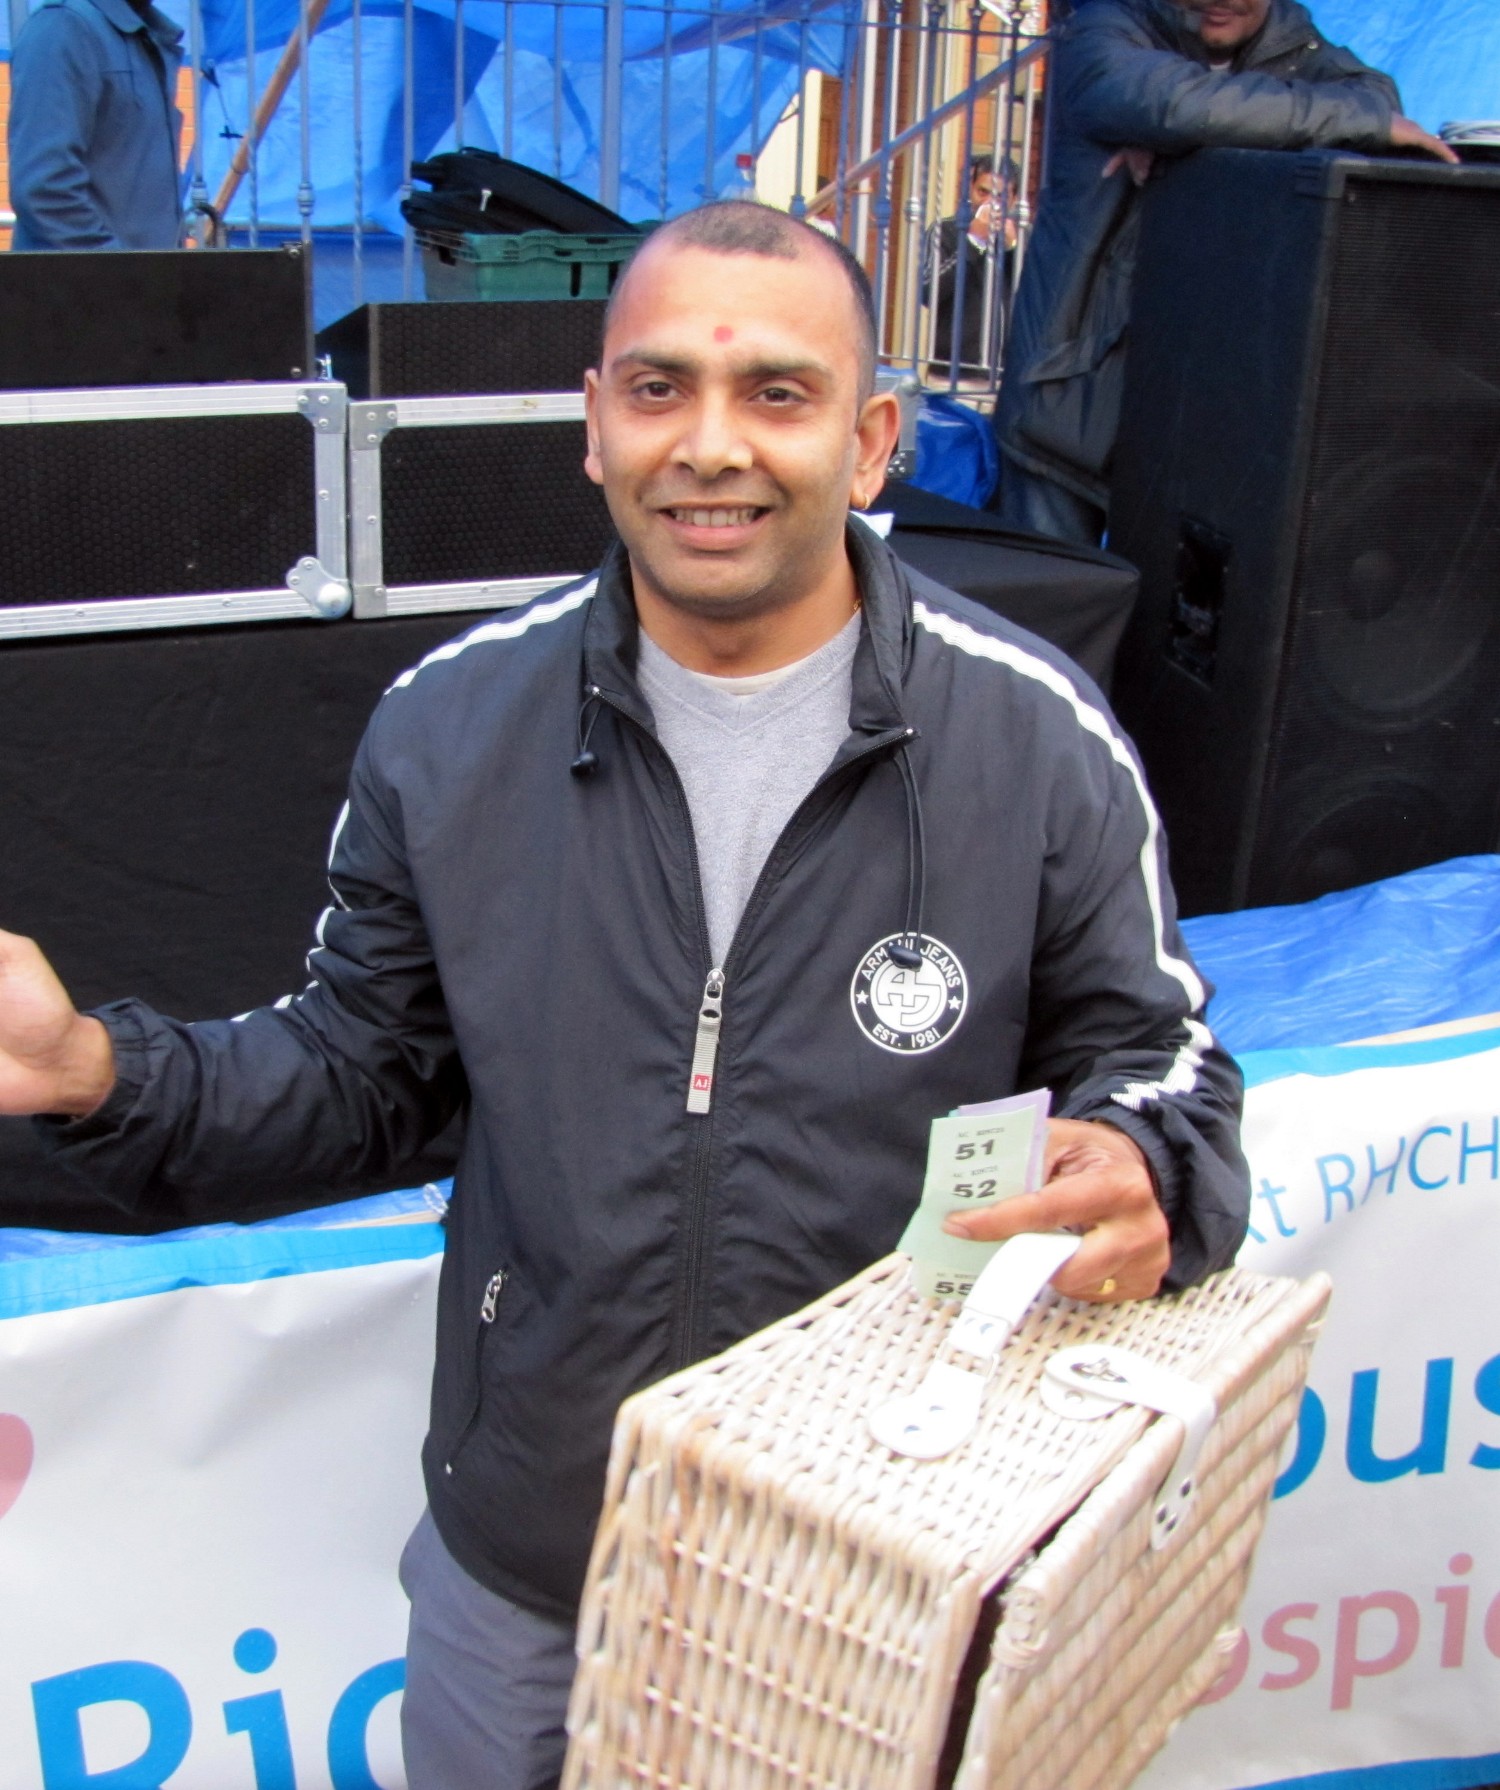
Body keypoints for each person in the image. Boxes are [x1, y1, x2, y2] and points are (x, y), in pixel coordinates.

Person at [0, 203, 1250, 1788]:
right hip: (529, 1568)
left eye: (777, 396)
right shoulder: (448, 730)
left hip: (885, 1571)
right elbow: (359, 1077)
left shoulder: (1038, 738)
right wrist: (96, 1068)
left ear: (872, 442)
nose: (710, 445)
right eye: (657, 389)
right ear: (594, 426)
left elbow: (1160, 1060)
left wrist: (1149, 1167)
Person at [990, 0, 1459, 546]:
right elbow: (1168, 103)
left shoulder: (1294, 45)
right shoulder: (1105, 29)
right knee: (1043, 616)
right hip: (1066, 398)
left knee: (1169, 620)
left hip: (1195, 405)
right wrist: (1205, 123)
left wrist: (1196, 143)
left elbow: (1376, 101)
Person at [8, 0, 184, 251]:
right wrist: (126, 276)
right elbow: (45, 191)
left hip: (142, 281)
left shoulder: (146, 37)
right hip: (85, 286)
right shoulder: (63, 27)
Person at [922, 153, 1018, 381]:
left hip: (1008, 378)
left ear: (1013, 200)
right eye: (982, 192)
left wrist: (1012, 249)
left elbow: (1040, 299)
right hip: (952, 374)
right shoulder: (945, 231)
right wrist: (973, 241)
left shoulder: (1025, 236)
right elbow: (928, 291)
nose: (990, 203)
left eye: (1001, 196)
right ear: (970, 190)